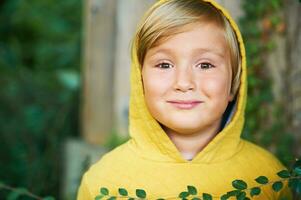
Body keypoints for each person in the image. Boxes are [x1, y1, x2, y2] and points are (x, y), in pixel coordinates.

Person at [77, 0, 292, 199]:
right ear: (139, 81)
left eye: (205, 65)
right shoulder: (103, 182)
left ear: (233, 85)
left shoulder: (270, 178)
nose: (184, 82)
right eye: (164, 65)